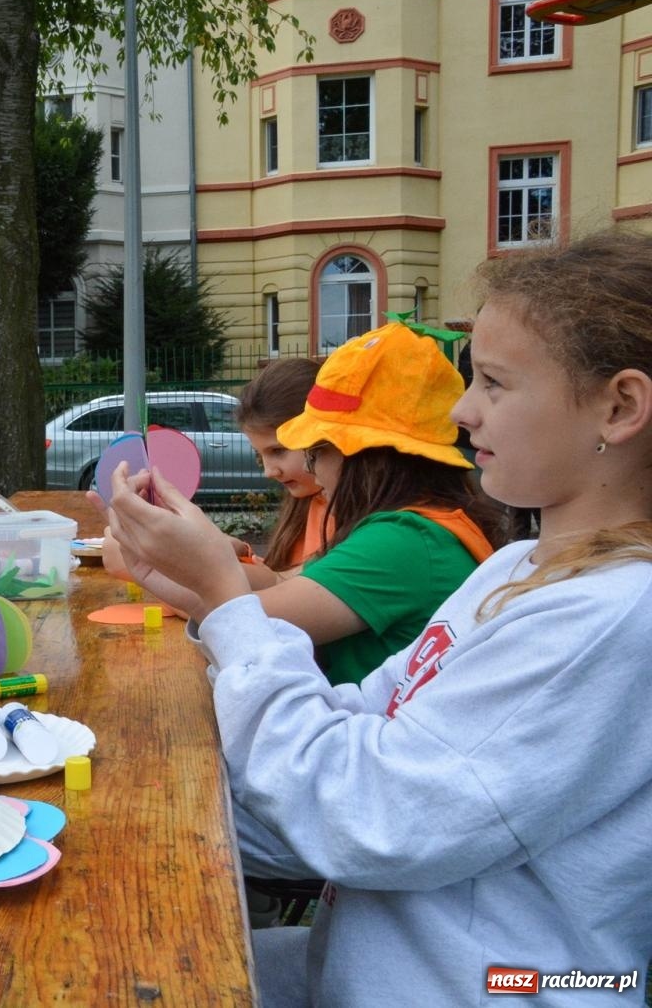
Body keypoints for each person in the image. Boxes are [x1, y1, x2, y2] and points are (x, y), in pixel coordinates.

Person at [101, 231, 652, 1006]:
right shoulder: (515, 568)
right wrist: (139, 794)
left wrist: (223, 598)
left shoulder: (610, 617)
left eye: (493, 383)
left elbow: (371, 813)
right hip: (377, 961)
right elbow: (367, 718)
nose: (463, 410)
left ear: (620, 406)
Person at [100, 322, 503, 686]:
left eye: (316, 451)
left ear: (363, 456)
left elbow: (252, 626)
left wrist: (185, 554)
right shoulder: (412, 529)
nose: (311, 467)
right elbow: (280, 584)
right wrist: (162, 561)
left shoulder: (404, 542)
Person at [234, 356, 329, 575]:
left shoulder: (354, 516)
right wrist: (242, 552)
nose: (269, 472)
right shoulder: (308, 502)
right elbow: (284, 576)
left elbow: (293, 590)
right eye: (259, 455)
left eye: (278, 450)